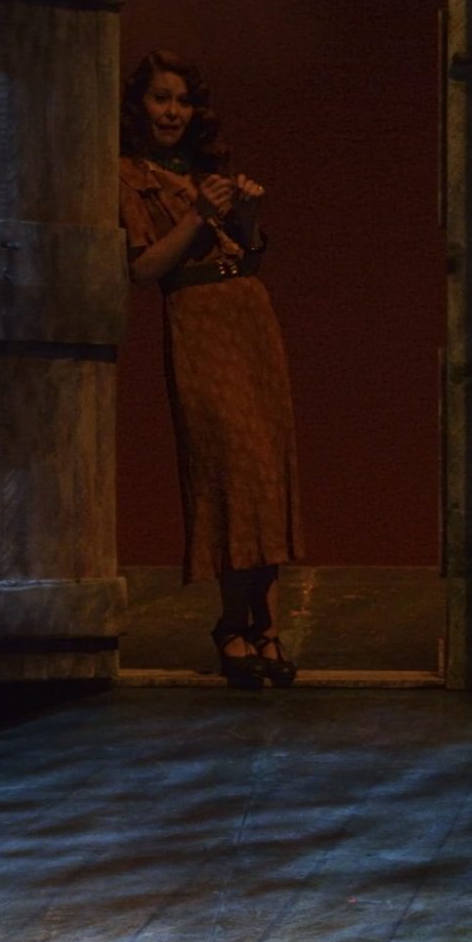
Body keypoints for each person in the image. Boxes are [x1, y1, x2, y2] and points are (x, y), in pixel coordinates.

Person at [119, 50, 300, 689]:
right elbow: (143, 269)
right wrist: (199, 214)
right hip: (197, 323)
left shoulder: (204, 170)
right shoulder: (127, 176)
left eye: (182, 101)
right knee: (231, 471)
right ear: (138, 106)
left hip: (249, 317)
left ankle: (266, 627)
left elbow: (247, 256)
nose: (172, 111)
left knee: (267, 471)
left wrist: (244, 213)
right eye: (160, 98)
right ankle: (232, 624)